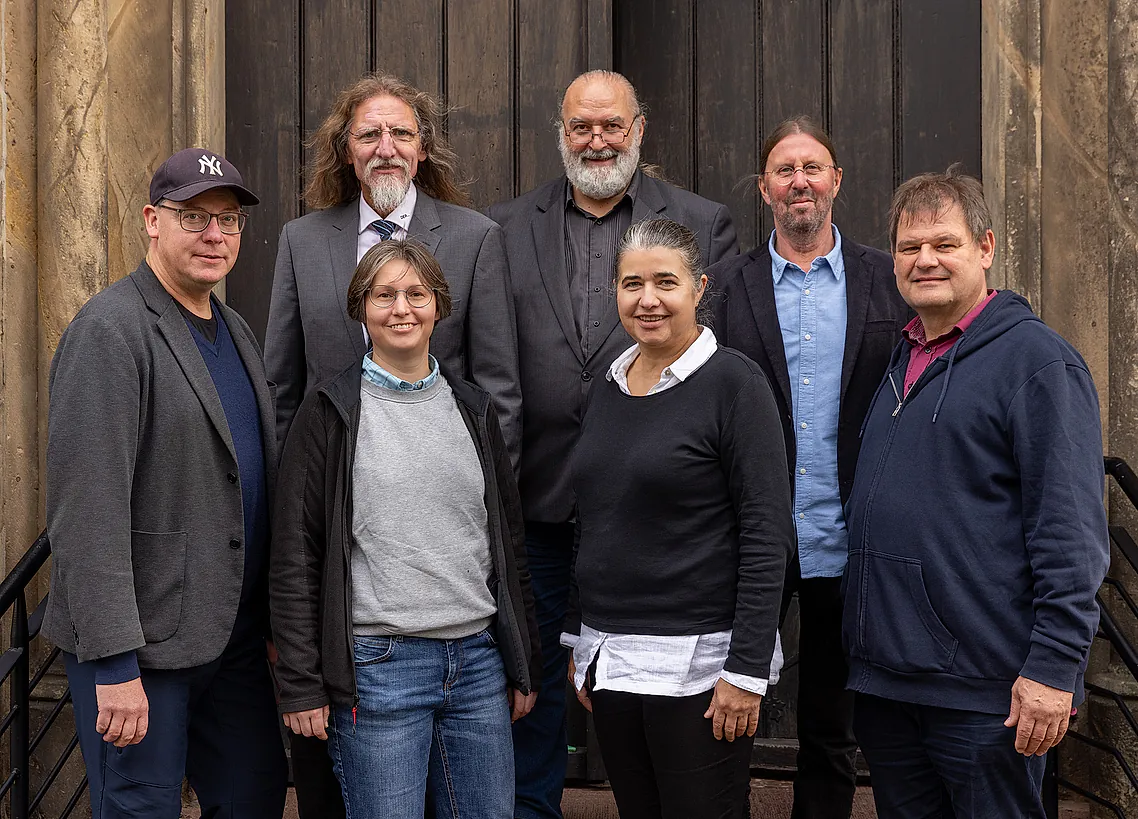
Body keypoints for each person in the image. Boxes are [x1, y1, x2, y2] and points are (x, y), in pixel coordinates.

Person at [264, 74, 522, 816]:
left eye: (401, 133)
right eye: (369, 134)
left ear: (422, 147)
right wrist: (297, 531)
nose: (386, 147)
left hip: (449, 562)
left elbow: (498, 391)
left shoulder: (475, 238)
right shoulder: (300, 241)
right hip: (353, 576)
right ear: (347, 151)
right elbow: (284, 393)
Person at [486, 70, 739, 819]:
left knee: (658, 698)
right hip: (537, 502)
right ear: (560, 132)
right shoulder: (503, 228)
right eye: (580, 126)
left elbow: (707, 358)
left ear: (639, 127)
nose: (596, 140)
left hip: (656, 515)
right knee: (530, 683)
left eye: (612, 125)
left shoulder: (703, 220)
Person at [843, 166, 1110, 817]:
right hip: (889, 684)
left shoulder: (1038, 364)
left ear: (985, 248)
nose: (924, 259)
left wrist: (1053, 668)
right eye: (909, 247)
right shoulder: (900, 356)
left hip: (986, 695)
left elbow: (1071, 534)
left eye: (945, 243)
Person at [42, 148, 288, 817]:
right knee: (139, 809)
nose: (214, 234)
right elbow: (86, 511)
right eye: (194, 216)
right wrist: (116, 664)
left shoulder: (234, 329)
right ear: (153, 220)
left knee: (254, 797)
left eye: (228, 220)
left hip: (231, 642)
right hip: (142, 649)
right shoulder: (110, 330)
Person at [708, 116, 911, 819]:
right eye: (785, 170)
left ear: (836, 180)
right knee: (725, 710)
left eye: (813, 167)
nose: (800, 181)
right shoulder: (725, 289)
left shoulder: (887, 280)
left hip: (849, 535)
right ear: (764, 188)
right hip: (751, 539)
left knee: (832, 726)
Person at [564, 219, 794, 819]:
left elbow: (767, 536)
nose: (647, 299)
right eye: (631, 283)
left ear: (699, 288)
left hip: (700, 669)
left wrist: (745, 670)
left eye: (665, 282)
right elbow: (591, 517)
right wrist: (581, 637)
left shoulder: (736, 386)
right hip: (613, 658)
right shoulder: (607, 388)